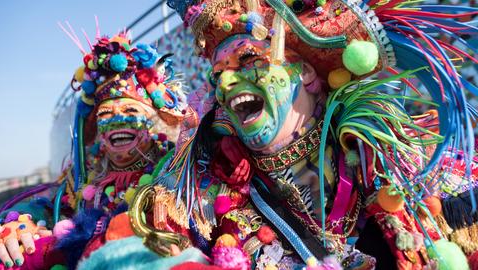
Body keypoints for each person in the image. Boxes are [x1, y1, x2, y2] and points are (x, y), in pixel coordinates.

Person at [131, 0, 478, 269]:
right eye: (216, 74)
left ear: (307, 71)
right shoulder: (205, 209)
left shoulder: (409, 168)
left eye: (250, 59)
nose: (223, 82)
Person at [0, 30, 201, 269]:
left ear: (152, 120)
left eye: (131, 112)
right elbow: (45, 203)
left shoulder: (176, 166)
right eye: (106, 114)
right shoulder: (83, 176)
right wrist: (17, 222)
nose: (118, 122)